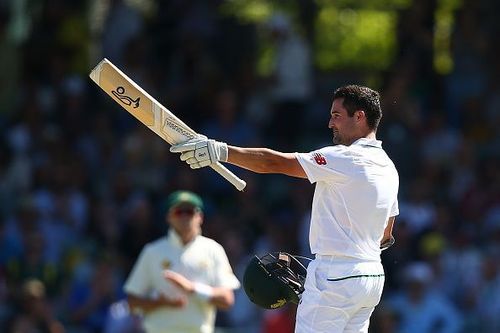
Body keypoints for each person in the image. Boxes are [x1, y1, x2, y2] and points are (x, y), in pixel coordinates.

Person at [170, 85, 400, 333]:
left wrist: (220, 151)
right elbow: (386, 233)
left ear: (359, 116)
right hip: (371, 278)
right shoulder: (389, 168)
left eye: (336, 115)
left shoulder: (346, 158)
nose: (330, 123)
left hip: (336, 276)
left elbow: (274, 161)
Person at [123, 190, 241, 333]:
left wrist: (192, 289)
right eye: (179, 212)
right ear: (169, 217)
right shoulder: (152, 251)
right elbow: (132, 302)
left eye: (189, 211)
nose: (185, 216)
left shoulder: (213, 250)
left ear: (200, 216)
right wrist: (160, 303)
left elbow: (227, 300)